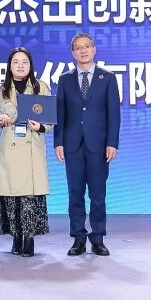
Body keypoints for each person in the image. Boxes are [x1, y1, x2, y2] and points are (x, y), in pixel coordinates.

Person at [54, 31, 120, 257]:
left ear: (94, 49)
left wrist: (112, 142)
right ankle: (78, 239)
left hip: (99, 146)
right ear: (73, 53)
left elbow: (114, 114)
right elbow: (60, 113)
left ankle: (98, 238)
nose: (83, 51)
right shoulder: (65, 79)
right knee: (75, 193)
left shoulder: (107, 78)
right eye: (78, 48)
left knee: (98, 194)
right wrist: (58, 142)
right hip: (72, 145)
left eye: (87, 46)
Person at [0, 47, 51, 257]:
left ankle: (29, 239)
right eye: (16, 62)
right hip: (10, 147)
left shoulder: (40, 87)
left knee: (29, 197)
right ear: (9, 66)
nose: (20, 65)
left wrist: (40, 126)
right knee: (12, 197)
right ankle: (16, 237)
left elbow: (50, 119)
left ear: (31, 65)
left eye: (25, 61)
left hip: (32, 146)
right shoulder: (0, 89)